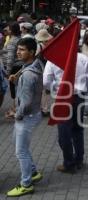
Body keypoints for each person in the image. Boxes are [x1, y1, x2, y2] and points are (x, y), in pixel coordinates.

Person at [43, 53, 88, 173]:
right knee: (77, 129)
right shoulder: (83, 57)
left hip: (63, 96)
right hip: (79, 96)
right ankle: (78, 159)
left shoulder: (53, 58)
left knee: (64, 131)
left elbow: (46, 82)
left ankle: (69, 162)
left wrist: (57, 87)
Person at [6, 38, 44, 197]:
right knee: (18, 143)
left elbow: (26, 102)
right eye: (18, 49)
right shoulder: (33, 65)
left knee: (20, 152)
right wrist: (16, 81)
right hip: (33, 114)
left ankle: (26, 183)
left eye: (22, 50)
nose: (18, 52)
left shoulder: (28, 75)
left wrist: (17, 114)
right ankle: (34, 172)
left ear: (31, 52)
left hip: (27, 116)